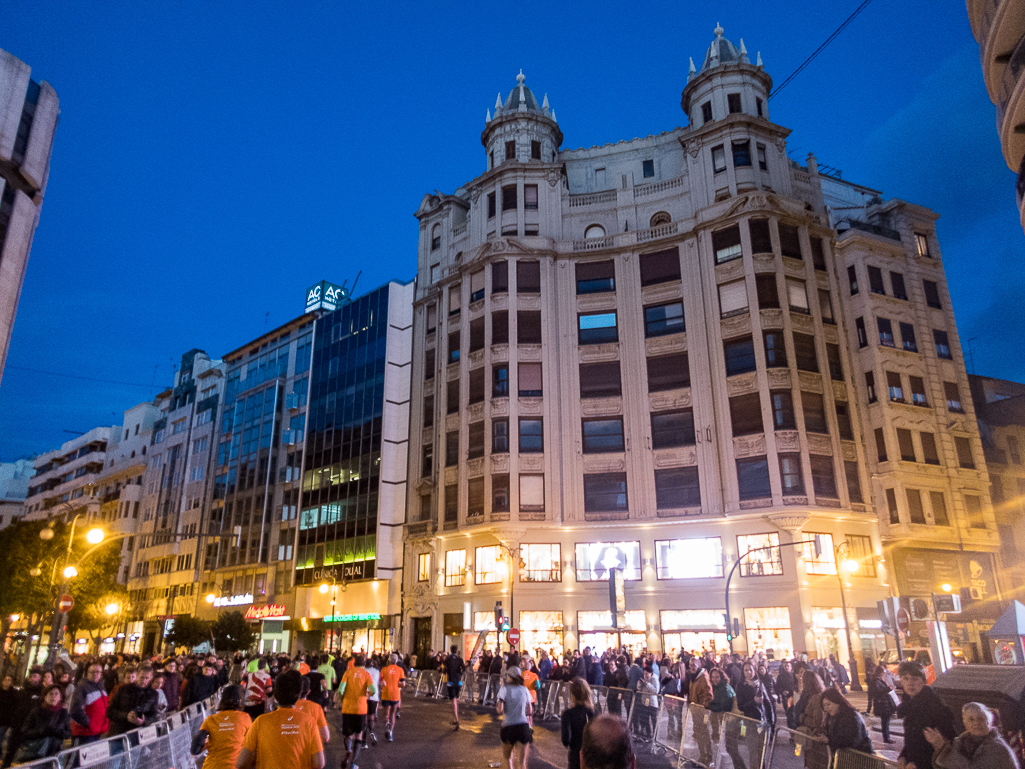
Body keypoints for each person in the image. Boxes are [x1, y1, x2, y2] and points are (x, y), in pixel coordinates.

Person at [237, 670, 324, 769]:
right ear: (299, 695)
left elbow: (241, 763)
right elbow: (319, 763)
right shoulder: (309, 722)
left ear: (276, 694)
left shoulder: (261, 721)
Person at [897, 661, 957, 769]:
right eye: (906, 678)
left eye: (915, 679)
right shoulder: (909, 706)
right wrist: (903, 756)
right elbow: (913, 741)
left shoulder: (935, 707)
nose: (910, 683)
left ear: (924, 681)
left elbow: (948, 743)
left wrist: (918, 764)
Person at [927, 702, 1020, 769]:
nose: (976, 723)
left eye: (981, 719)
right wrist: (940, 748)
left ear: (990, 722)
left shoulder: (999, 749)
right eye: (971, 719)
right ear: (965, 723)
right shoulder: (958, 743)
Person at [191, 684, 251, 769]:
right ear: (239, 700)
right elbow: (251, 745)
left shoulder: (210, 720)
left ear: (222, 700)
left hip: (211, 766)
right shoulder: (245, 718)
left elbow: (195, 749)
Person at [337, 654, 375, 769]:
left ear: (353, 663)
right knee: (359, 734)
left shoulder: (348, 673)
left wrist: (342, 699)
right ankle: (354, 762)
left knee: (348, 734)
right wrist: (367, 694)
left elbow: (341, 689)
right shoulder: (366, 674)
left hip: (348, 708)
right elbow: (373, 690)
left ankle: (348, 749)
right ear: (364, 664)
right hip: (361, 709)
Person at [15, 685, 71, 762]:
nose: (53, 696)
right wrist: (40, 732)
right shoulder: (36, 711)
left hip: (54, 754)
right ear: (45, 697)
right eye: (51, 693)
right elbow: (25, 730)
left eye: (56, 694)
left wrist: (59, 733)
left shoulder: (63, 713)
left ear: (60, 697)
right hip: (35, 753)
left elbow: (68, 733)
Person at [106, 663, 159, 736]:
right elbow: (110, 711)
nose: (144, 681)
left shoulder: (153, 694)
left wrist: (144, 721)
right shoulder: (124, 689)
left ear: (151, 678)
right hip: (119, 732)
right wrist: (126, 716)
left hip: (139, 734)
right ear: (137, 675)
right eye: (142, 677)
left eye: (147, 678)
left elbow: (153, 715)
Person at [497, 665, 533, 769]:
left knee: (508, 759)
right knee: (522, 763)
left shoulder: (504, 689)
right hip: (522, 726)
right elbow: (530, 710)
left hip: (508, 726)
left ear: (509, 677)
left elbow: (500, 710)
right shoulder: (524, 690)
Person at [821, 689, 874, 753]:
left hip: (858, 757)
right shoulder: (833, 717)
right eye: (824, 705)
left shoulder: (850, 716)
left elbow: (850, 740)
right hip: (845, 757)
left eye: (828, 704)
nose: (826, 708)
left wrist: (828, 740)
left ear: (837, 702)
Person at [69, 662, 108, 746]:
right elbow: (75, 710)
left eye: (98, 672)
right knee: (78, 757)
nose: (96, 674)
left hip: (96, 730)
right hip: (85, 732)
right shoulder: (82, 687)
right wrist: (89, 723)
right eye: (93, 672)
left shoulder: (101, 687)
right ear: (87, 673)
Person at [561, 678, 594, 769]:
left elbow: (566, 740)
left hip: (575, 754)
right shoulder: (592, 713)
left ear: (572, 694)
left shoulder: (568, 714)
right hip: (591, 755)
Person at [295, 678, 330, 746]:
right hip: (309, 750)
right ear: (308, 692)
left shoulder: (285, 707)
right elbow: (326, 737)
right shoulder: (316, 708)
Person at [868, 664, 897, 743]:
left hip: (885, 703)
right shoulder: (875, 681)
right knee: (885, 721)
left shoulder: (880, 680)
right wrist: (887, 689)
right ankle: (886, 738)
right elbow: (877, 692)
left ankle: (886, 737)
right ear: (879, 672)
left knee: (886, 721)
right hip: (882, 704)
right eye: (883, 672)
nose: (884, 674)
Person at [379, 654, 405, 742]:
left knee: (386, 713)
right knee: (393, 714)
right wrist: (399, 684)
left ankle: (386, 725)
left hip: (386, 694)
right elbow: (403, 683)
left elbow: (381, 682)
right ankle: (391, 733)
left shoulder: (383, 670)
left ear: (389, 660)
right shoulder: (400, 670)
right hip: (395, 694)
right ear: (396, 661)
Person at [243, 658, 272, 722]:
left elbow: (243, 685)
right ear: (265, 666)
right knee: (257, 721)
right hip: (260, 701)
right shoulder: (267, 677)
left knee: (247, 720)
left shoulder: (249, 675)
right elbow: (269, 690)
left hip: (248, 700)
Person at [444, 645, 466, 729]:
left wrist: (444, 671)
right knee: (456, 700)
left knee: (453, 700)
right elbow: (463, 669)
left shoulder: (448, 659)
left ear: (450, 650)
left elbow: (445, 669)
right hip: (458, 681)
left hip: (451, 682)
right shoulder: (460, 659)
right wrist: (460, 674)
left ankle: (456, 719)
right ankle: (454, 718)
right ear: (456, 651)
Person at [362, 656, 381, 748]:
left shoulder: (362, 671)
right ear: (372, 664)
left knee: (364, 717)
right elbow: (379, 683)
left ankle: (364, 741)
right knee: (371, 716)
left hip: (364, 696)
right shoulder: (377, 672)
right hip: (374, 696)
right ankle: (372, 731)